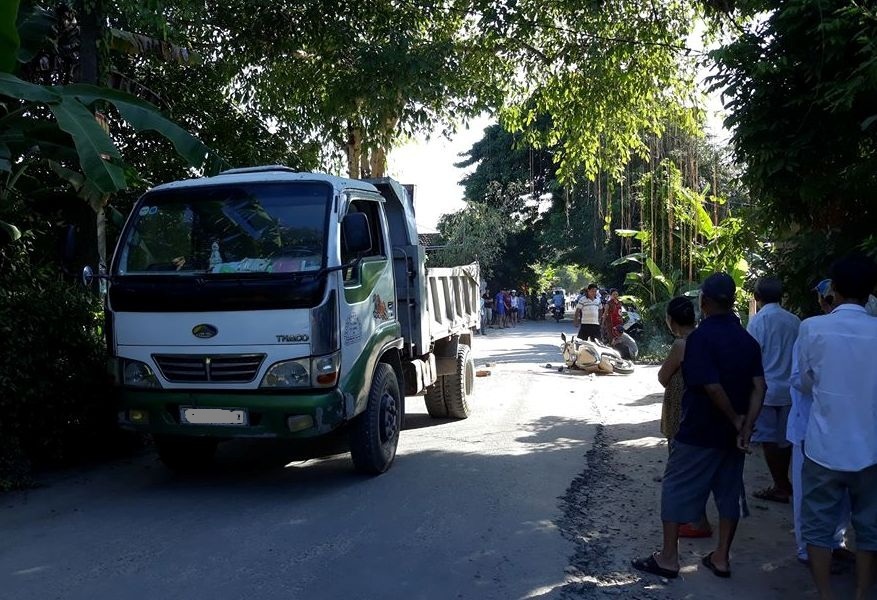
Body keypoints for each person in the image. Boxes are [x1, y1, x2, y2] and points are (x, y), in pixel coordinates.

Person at [633, 273, 765, 580]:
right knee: (728, 493)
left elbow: (711, 386)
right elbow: (760, 386)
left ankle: (668, 558)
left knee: (675, 487)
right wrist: (745, 426)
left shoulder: (698, 339)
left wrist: (734, 418)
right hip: (733, 436)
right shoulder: (747, 340)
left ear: (704, 302)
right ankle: (721, 557)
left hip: (699, 429)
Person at [795, 255, 877, 600]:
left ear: (835, 290)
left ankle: (826, 594)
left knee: (817, 526)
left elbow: (804, 382)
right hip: (871, 447)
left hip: (824, 446)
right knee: (870, 528)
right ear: (870, 291)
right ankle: (861, 593)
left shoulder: (813, 328)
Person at [787, 278, 852, 569]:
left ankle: (836, 543)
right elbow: (799, 379)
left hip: (840, 424)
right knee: (809, 492)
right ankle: (807, 549)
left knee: (842, 493)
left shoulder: (819, 330)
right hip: (810, 423)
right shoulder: (812, 330)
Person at [657, 295, 711, 537]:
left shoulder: (681, 344)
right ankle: (697, 518)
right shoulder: (703, 338)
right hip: (698, 408)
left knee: (680, 466)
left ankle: (696, 521)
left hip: (680, 408)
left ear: (671, 320)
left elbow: (663, 377)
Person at [747, 277, 801, 504]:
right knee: (785, 439)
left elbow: (751, 357)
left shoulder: (758, 322)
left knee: (768, 439)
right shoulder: (795, 321)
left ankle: (780, 484)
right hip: (791, 390)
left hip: (766, 390)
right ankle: (783, 482)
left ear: (757, 297)